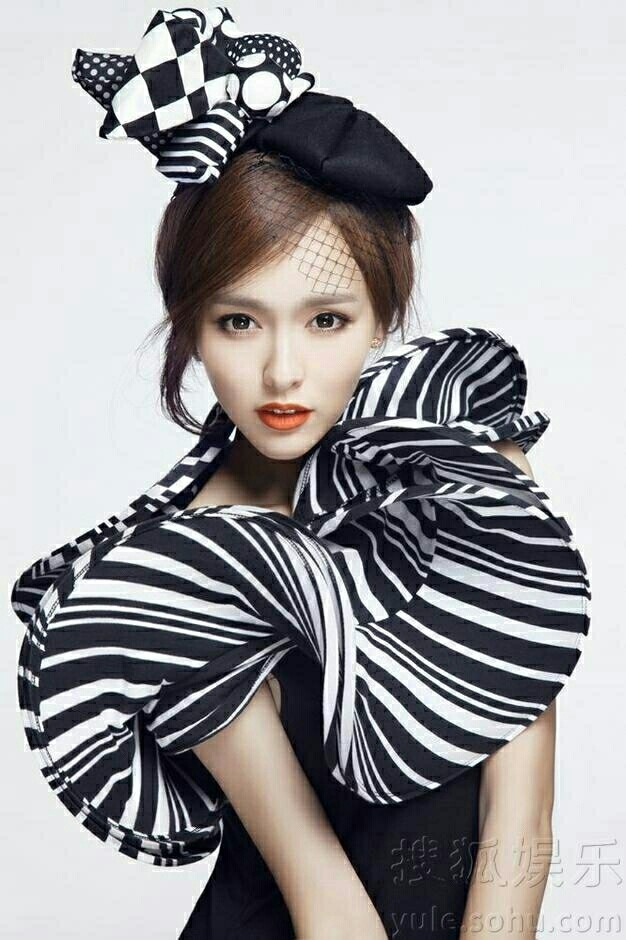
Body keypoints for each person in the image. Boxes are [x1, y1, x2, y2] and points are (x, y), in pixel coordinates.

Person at [11, 6, 591, 939]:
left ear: (383, 318)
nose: (283, 372)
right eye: (239, 322)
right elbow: (322, 896)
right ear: (192, 327)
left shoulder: (455, 469)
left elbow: (521, 819)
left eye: (327, 321)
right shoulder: (172, 576)